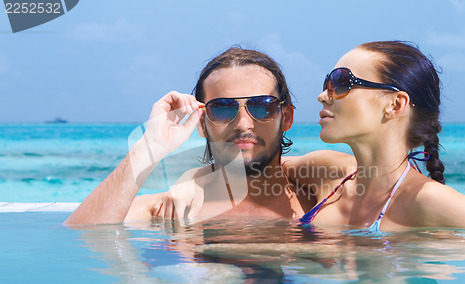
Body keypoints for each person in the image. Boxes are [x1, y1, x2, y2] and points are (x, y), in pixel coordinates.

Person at [64, 47, 324, 226]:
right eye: (222, 108)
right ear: (202, 123)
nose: (244, 123)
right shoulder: (174, 208)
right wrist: (150, 146)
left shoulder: (321, 201)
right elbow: (84, 235)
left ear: (286, 118)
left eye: (261, 106)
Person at [286, 40, 465, 231]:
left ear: (395, 104)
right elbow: (260, 167)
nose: (322, 96)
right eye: (328, 85)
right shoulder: (330, 171)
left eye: (341, 83)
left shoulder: (426, 199)